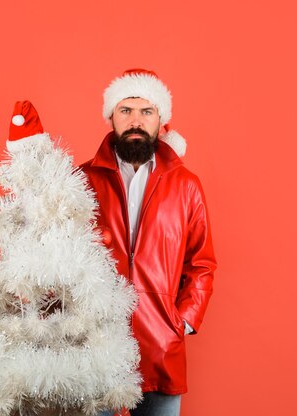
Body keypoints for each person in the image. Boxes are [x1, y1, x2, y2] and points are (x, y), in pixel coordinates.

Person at [80, 69, 217, 416]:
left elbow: (202, 263)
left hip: (161, 347)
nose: (136, 121)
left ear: (161, 120)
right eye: (126, 110)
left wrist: (181, 321)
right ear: (111, 116)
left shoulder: (186, 185)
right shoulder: (81, 180)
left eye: (146, 111)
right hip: (92, 348)